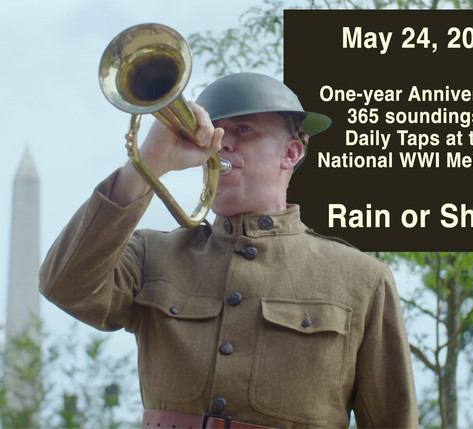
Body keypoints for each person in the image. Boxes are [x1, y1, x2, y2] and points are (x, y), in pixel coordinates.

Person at [40, 73, 418, 429]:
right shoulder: (151, 255)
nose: (223, 143)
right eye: (214, 132)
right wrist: (147, 164)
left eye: (244, 130)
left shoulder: (362, 280)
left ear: (290, 153)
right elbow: (64, 285)